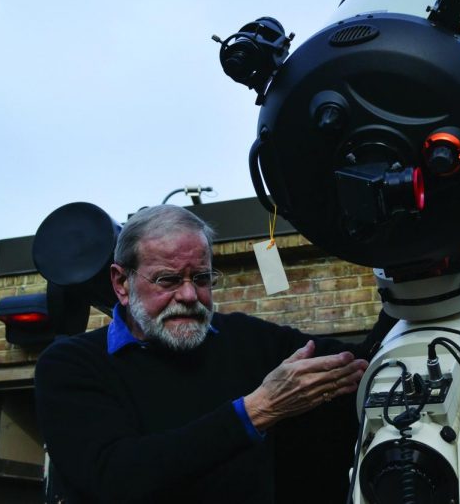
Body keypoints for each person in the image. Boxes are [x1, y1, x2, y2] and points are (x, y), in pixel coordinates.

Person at [35, 204, 395, 503]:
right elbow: (115, 476)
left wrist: (402, 286)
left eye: (202, 279)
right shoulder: (72, 365)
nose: (190, 296)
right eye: (168, 280)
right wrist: (255, 411)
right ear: (121, 283)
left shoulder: (248, 339)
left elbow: (363, 367)